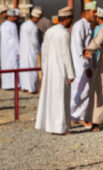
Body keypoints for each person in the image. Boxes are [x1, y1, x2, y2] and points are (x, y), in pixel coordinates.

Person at [35, 7, 75, 135]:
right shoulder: (64, 33)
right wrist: (71, 73)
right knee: (60, 100)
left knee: (52, 99)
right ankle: (60, 128)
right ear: (67, 19)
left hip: (50, 71)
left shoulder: (50, 31)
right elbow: (66, 55)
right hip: (60, 71)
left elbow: (44, 51)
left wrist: (44, 69)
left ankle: (52, 126)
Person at [70, 1, 97, 129]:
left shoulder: (88, 25)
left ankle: (77, 117)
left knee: (85, 91)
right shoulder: (79, 26)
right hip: (80, 65)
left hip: (86, 64)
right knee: (81, 91)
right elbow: (77, 48)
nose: (95, 14)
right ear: (86, 13)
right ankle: (76, 117)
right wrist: (85, 67)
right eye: (93, 12)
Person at [19, 7, 42, 94]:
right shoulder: (33, 27)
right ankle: (31, 89)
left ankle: (24, 87)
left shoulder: (23, 25)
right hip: (31, 52)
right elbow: (35, 42)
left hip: (23, 51)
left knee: (24, 69)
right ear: (36, 17)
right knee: (32, 70)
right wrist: (39, 50)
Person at [0, 9, 19, 90]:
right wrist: (19, 51)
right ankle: (13, 84)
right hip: (12, 50)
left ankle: (6, 85)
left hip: (4, 50)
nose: (15, 19)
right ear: (10, 17)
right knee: (13, 66)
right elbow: (15, 39)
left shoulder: (2, 25)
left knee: (5, 67)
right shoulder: (12, 25)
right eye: (14, 17)